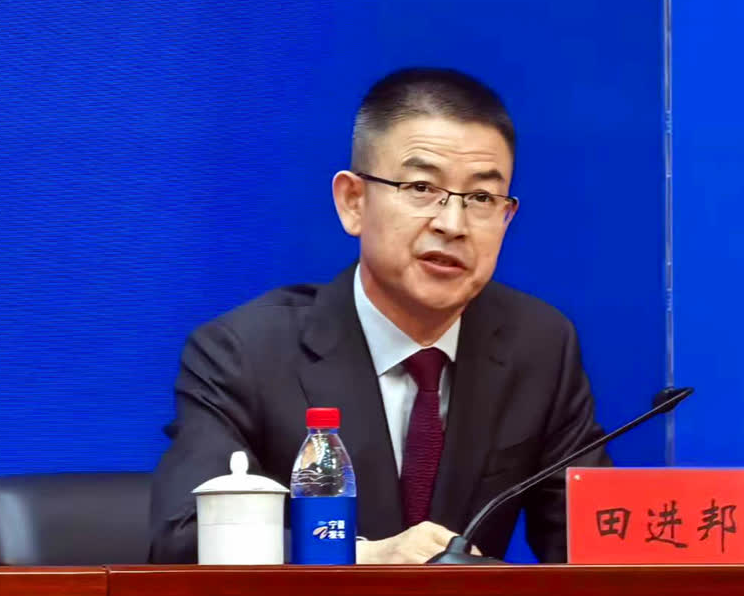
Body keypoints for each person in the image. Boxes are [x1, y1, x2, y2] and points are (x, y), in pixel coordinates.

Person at [149, 68, 609, 564]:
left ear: (507, 217)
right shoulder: (244, 354)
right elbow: (185, 539)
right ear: (354, 202)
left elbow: (594, 546)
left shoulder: (539, 346)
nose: (452, 224)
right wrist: (362, 559)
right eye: (421, 187)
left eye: (481, 198)